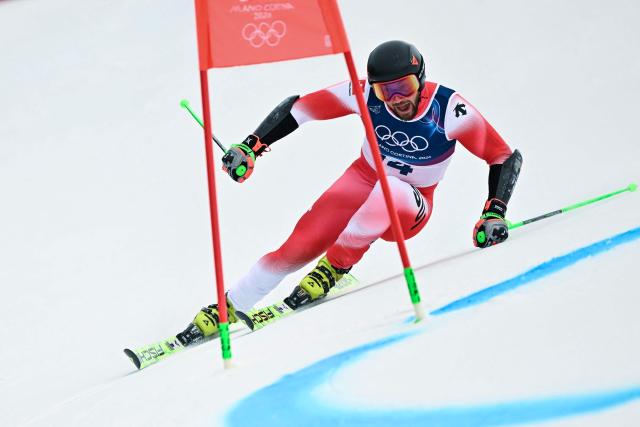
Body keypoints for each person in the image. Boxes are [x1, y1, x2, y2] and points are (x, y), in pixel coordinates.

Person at [188, 40, 522, 338]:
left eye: (404, 87)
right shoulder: (362, 93)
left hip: (410, 205)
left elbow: (504, 156)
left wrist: (494, 211)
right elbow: (298, 107)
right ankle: (232, 303)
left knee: (391, 188)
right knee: (298, 245)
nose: (396, 100)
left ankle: (335, 265)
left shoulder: (448, 108)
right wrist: (252, 146)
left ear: (420, 79)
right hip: (363, 180)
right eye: (384, 91)